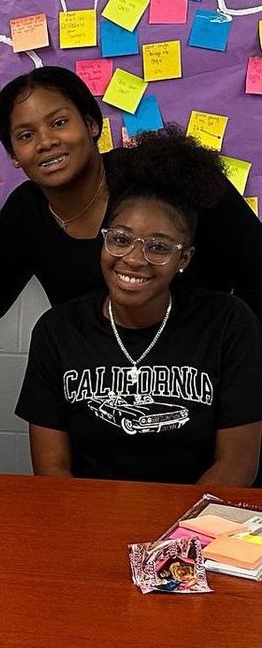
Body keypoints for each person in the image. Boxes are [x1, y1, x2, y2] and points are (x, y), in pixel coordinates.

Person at [16, 133, 262, 486]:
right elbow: (52, 469)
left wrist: (178, 524)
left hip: (198, 517)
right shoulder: (58, 330)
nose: (133, 258)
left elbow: (237, 465)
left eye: (158, 247)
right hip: (89, 512)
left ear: (184, 258)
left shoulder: (229, 324)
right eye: (121, 239)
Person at [0, 66, 262, 340]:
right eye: (26, 135)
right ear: (13, 155)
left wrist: (235, 353)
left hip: (194, 370)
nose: (46, 142)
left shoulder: (164, 175)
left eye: (59, 122)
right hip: (97, 375)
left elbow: (257, 267)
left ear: (91, 124)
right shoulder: (25, 212)